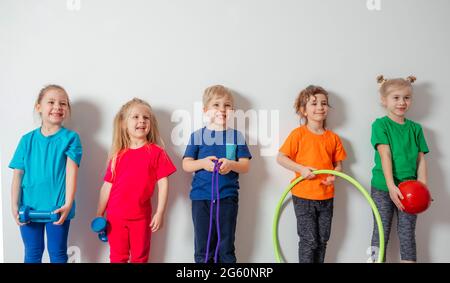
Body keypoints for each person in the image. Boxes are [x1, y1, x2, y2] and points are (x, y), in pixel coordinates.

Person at [96, 98, 176, 263]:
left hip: (141, 218)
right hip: (115, 217)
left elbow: (163, 183)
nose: (142, 120)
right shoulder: (117, 155)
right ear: (124, 124)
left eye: (146, 117)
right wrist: (99, 213)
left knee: (140, 258)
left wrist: (160, 212)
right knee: (118, 258)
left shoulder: (157, 152)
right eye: (136, 117)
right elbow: (106, 187)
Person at [9, 84, 82, 263]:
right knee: (32, 253)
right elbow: (17, 175)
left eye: (63, 104)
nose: (58, 107)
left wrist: (68, 203)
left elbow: (72, 173)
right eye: (51, 102)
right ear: (39, 107)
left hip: (57, 208)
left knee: (57, 253)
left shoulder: (71, 138)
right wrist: (14, 205)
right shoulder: (27, 140)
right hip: (29, 208)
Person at [277, 85, 347, 263]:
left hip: (326, 197)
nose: (320, 107)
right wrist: (301, 169)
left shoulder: (333, 138)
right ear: (303, 110)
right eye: (314, 103)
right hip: (303, 196)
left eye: (324, 103)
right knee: (309, 240)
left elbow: (338, 166)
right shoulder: (298, 135)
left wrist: (333, 176)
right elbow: (281, 158)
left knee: (323, 240)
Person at [182, 85, 251, 263]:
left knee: (226, 248)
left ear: (233, 111)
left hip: (227, 199)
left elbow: (245, 165)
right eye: (216, 105)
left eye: (227, 105)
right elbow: (186, 164)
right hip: (201, 199)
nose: (222, 110)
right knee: (203, 249)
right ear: (205, 110)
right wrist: (203, 164)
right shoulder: (197, 136)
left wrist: (231, 164)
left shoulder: (236, 136)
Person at [369, 75, 429, 263]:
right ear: (384, 100)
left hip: (410, 191)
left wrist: (423, 188)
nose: (402, 102)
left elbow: (421, 160)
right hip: (383, 187)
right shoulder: (380, 125)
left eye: (406, 97)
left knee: (407, 234)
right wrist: (391, 186)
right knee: (380, 232)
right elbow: (385, 155)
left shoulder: (416, 129)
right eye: (396, 97)